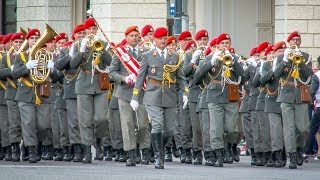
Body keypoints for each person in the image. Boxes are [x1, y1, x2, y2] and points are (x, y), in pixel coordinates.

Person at [131, 27, 188, 169]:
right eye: (160, 38)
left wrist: (185, 92)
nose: (163, 41)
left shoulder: (174, 56)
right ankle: (158, 156)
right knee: (157, 124)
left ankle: (154, 148)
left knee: (169, 130)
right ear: (155, 39)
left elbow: (180, 77)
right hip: (152, 94)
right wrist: (135, 97)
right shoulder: (148, 55)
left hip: (169, 95)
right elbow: (140, 77)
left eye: (165, 38)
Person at [194, 33, 244, 167]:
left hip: (230, 96)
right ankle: (218, 154)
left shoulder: (235, 59)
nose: (224, 46)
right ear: (217, 45)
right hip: (214, 97)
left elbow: (244, 77)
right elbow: (197, 77)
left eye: (227, 43)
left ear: (230, 45)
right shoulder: (210, 58)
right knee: (216, 128)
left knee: (232, 129)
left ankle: (229, 146)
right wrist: (211, 62)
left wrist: (234, 63)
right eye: (222, 44)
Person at [70, 18, 112, 163]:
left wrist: (101, 50)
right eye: (89, 29)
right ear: (85, 31)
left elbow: (111, 62)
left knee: (102, 118)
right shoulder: (77, 45)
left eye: (94, 29)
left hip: (100, 83)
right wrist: (82, 50)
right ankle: (87, 149)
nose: (92, 32)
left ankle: (98, 140)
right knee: (85, 120)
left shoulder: (104, 44)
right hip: (84, 83)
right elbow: (73, 64)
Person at [109, 26, 151, 166]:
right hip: (125, 92)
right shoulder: (119, 52)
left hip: (142, 92)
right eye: (131, 35)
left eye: (136, 35)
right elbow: (112, 73)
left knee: (143, 124)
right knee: (127, 124)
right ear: (126, 37)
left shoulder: (145, 51)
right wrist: (124, 78)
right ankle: (131, 153)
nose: (134, 38)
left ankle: (144, 149)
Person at [12, 28, 54, 163]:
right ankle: (31, 150)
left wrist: (52, 69)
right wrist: (26, 67)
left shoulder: (47, 55)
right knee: (28, 123)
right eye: (32, 39)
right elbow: (15, 74)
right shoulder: (21, 56)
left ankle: (37, 143)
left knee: (44, 125)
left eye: (37, 39)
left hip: (43, 94)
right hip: (25, 95)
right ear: (28, 40)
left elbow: (58, 76)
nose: (35, 41)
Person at [274, 31, 313, 169]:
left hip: (301, 95)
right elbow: (276, 75)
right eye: (293, 40)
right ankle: (291, 155)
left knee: (303, 129)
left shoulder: (307, 56)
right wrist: (285, 60)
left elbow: (309, 74)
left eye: (298, 40)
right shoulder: (280, 58)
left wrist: (300, 60)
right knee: (289, 128)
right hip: (286, 95)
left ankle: (297, 148)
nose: (295, 42)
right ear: (289, 42)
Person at [55, 24, 86, 162]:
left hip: (87, 87)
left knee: (85, 120)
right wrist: (71, 54)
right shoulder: (66, 49)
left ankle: (86, 147)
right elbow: (59, 65)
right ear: (74, 35)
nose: (82, 35)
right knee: (73, 121)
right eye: (80, 33)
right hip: (71, 87)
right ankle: (76, 148)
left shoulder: (92, 48)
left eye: (84, 33)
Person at [183, 29, 209, 165]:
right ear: (196, 41)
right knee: (197, 126)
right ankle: (198, 152)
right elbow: (184, 73)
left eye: (205, 40)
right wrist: (193, 61)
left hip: (208, 92)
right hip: (194, 93)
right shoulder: (189, 55)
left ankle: (210, 151)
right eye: (200, 40)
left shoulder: (212, 54)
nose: (203, 42)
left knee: (208, 125)